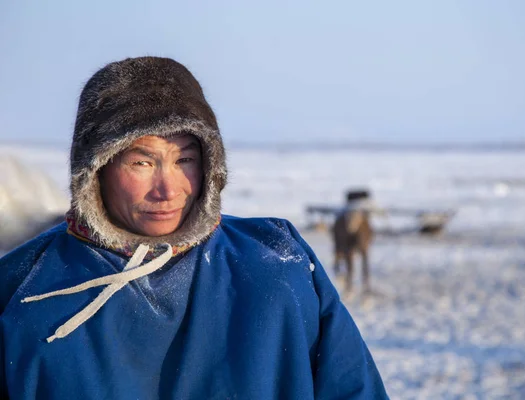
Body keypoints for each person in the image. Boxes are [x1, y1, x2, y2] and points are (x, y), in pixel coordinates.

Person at [0, 57, 388, 399]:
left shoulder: (278, 265)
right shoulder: (22, 288)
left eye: (184, 159)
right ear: (95, 169)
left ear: (209, 164)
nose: (168, 190)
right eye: (142, 163)